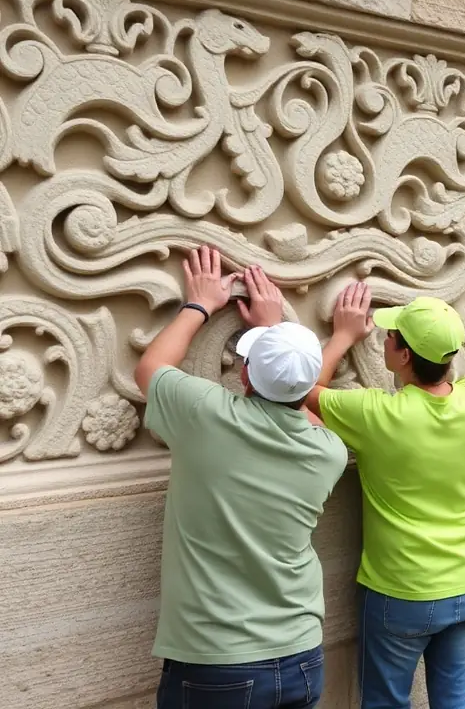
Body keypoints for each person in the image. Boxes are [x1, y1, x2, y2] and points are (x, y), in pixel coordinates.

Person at [135, 246, 349, 709]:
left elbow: (151, 369)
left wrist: (199, 304)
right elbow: (305, 405)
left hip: (216, 663)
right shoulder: (328, 451)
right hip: (301, 653)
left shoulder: (206, 416)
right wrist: (278, 337)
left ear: (246, 376)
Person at [303, 282, 465, 709]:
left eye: (390, 336)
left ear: (404, 355)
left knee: (386, 702)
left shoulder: (379, 414)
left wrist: (342, 336)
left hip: (405, 592)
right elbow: (452, 379)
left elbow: (303, 392)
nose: (383, 339)